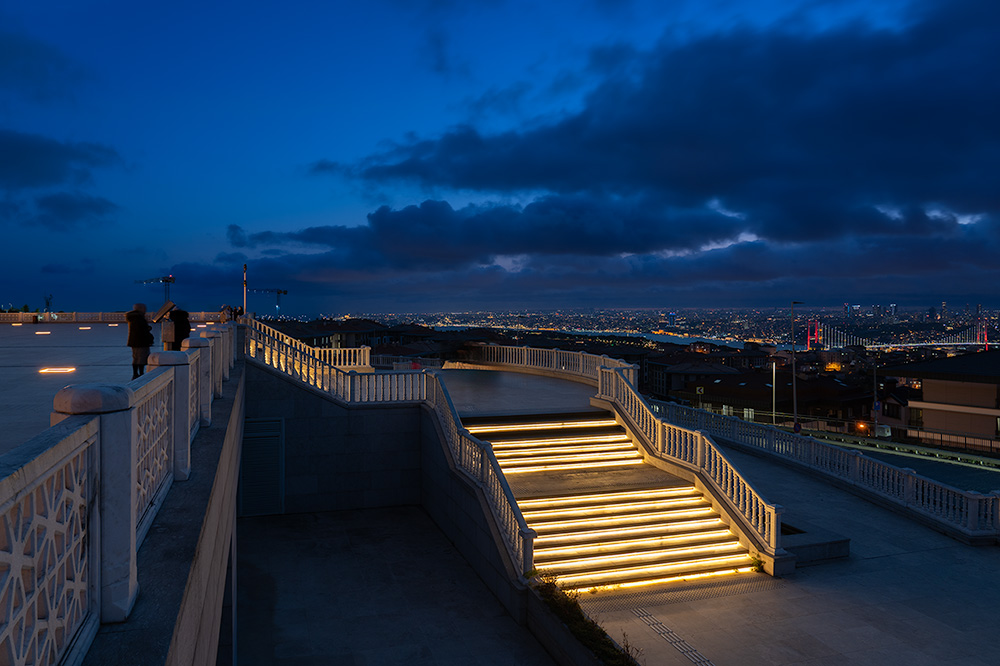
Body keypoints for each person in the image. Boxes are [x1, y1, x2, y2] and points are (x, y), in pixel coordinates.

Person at [126, 303, 154, 379]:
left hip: (135, 341)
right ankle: (140, 374)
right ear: (140, 309)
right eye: (144, 308)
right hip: (141, 342)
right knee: (141, 358)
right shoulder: (138, 318)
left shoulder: (134, 317)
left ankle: (136, 373)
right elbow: (141, 331)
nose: (145, 310)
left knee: (136, 358)